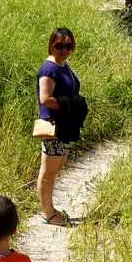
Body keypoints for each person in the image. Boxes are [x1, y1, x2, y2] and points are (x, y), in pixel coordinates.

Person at [36, 27, 86, 226]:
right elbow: (45, 99)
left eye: (68, 45)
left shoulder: (63, 64)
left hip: (64, 126)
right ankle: (48, 213)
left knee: (55, 170)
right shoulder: (49, 69)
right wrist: (73, 105)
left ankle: (50, 207)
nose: (64, 49)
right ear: (51, 45)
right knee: (47, 173)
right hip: (53, 127)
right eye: (59, 46)